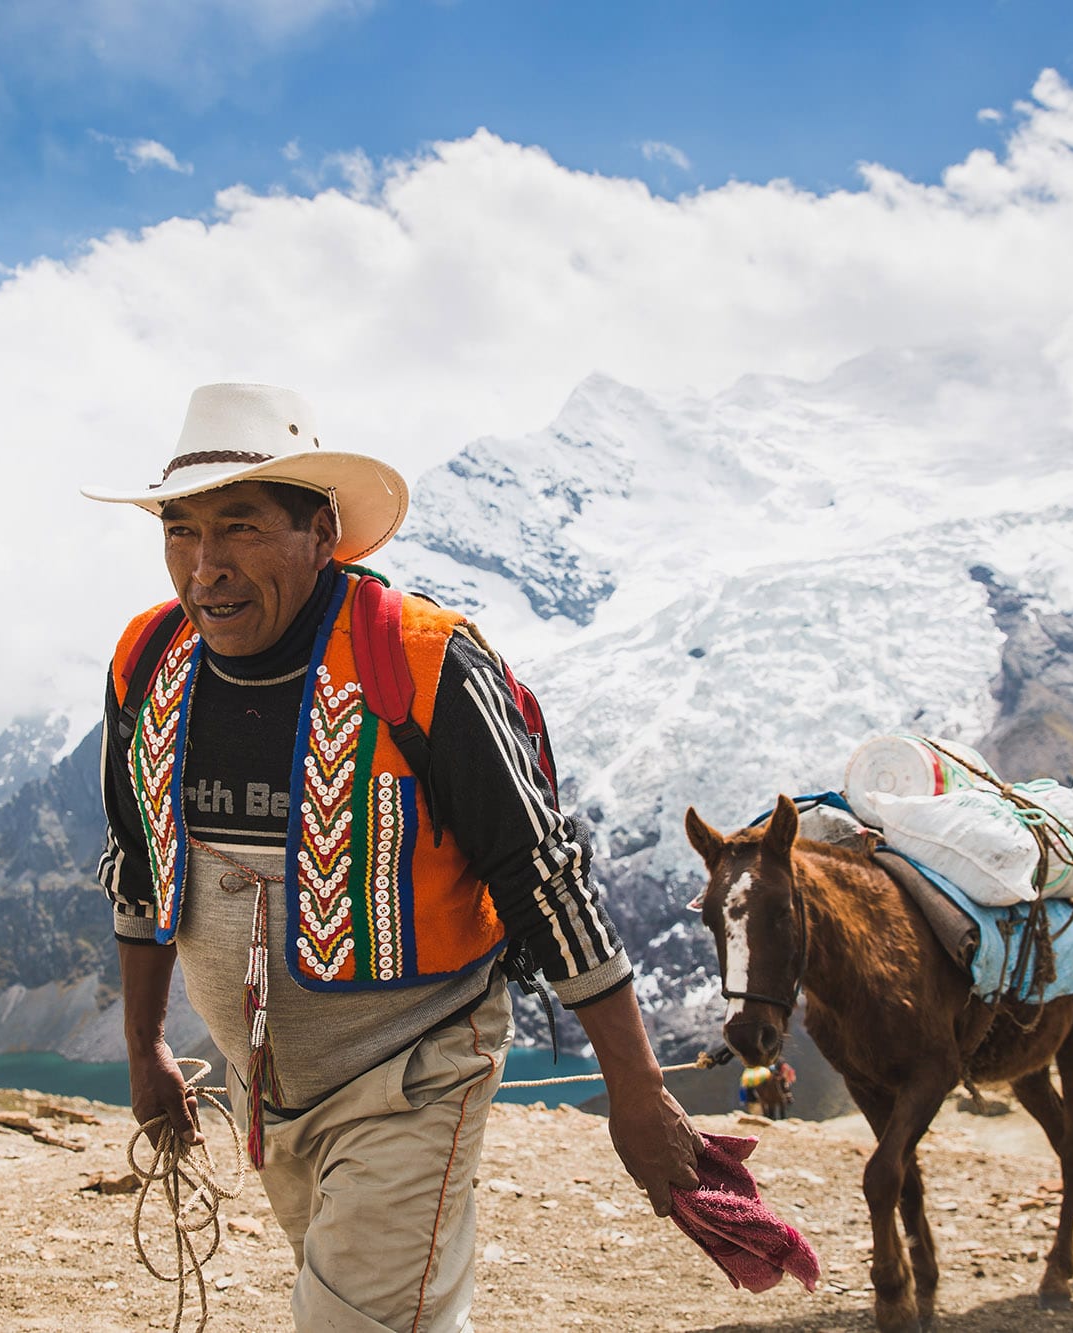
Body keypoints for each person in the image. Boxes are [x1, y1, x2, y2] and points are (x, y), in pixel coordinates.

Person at [84, 383, 701, 1332]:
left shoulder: (421, 663)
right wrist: (144, 1045)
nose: (205, 569)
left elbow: (544, 875)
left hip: (416, 1072)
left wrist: (638, 1090)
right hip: (266, 1089)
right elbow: (137, 861)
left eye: (240, 527)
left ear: (322, 530)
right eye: (180, 532)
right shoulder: (149, 662)